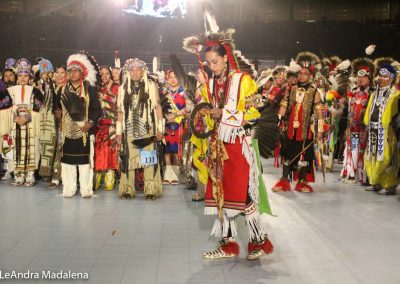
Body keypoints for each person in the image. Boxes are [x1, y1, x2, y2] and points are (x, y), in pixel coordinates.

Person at [183, 28, 274, 260]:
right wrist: (198, 110)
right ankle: (228, 244)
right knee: (221, 196)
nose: (211, 66)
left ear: (225, 58)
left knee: (242, 195)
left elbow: (255, 111)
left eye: (215, 61)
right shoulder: (209, 84)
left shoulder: (242, 81)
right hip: (216, 146)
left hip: (237, 145)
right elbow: (204, 112)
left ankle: (257, 242)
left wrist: (224, 113)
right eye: (208, 63)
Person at [272, 52, 324, 193]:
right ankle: (284, 181)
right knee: (287, 154)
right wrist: (275, 123)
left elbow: (320, 113)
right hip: (290, 129)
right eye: (300, 73)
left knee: (303, 156)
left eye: (305, 74)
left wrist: (320, 130)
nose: (301, 76)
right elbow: (283, 107)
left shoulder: (314, 92)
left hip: (305, 131)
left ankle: (301, 182)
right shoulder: (292, 89)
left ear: (310, 76)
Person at [116, 58, 164, 200]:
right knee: (128, 161)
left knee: (148, 160)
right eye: (133, 70)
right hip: (129, 129)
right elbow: (120, 112)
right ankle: (127, 189)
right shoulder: (122, 88)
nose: (135, 73)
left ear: (143, 71)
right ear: (128, 72)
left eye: (138, 70)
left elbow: (158, 108)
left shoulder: (151, 85)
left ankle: (150, 190)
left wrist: (160, 129)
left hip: (147, 129)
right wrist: (118, 133)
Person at [58, 52, 101, 198]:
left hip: (84, 132)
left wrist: (90, 123)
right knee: (68, 162)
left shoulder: (90, 89)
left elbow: (97, 109)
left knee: (84, 162)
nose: (73, 73)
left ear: (82, 72)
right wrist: (57, 113)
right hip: (67, 131)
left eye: (76, 70)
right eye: (70, 70)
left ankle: (86, 189)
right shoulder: (62, 89)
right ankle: (69, 189)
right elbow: (56, 108)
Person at [5, 58, 44, 186]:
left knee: (31, 149)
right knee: (16, 149)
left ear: (29, 77)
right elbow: (6, 107)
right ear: (17, 77)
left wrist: (26, 117)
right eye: (20, 75)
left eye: (25, 75)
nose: (22, 78)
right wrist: (16, 117)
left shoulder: (36, 91)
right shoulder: (10, 91)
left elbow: (39, 108)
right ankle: (18, 176)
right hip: (14, 124)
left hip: (31, 124)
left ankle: (30, 176)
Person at [364, 59, 400, 195]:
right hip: (373, 130)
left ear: (391, 78)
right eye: (380, 75)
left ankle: (389, 185)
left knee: (386, 158)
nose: (381, 79)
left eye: (385, 76)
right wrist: (367, 121)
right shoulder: (374, 94)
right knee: (371, 156)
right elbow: (369, 110)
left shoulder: (395, 94)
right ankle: (376, 182)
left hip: (387, 132)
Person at [341, 58, 375, 184]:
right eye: (359, 77)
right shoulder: (352, 93)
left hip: (365, 130)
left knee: (363, 150)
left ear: (369, 78)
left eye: (364, 77)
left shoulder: (373, 93)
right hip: (353, 129)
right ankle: (351, 173)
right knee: (352, 148)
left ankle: (363, 176)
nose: (360, 80)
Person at [94, 66, 119, 190]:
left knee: (111, 150)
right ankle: (98, 174)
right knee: (99, 151)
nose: (104, 76)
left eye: (107, 74)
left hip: (112, 125)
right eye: (102, 74)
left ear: (110, 75)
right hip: (98, 125)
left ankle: (110, 175)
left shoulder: (117, 88)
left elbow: (120, 108)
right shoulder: (96, 88)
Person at [160, 70, 187, 185]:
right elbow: (158, 105)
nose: (173, 79)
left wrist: (176, 114)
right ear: (167, 78)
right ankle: (167, 173)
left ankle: (175, 174)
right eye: (170, 77)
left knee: (176, 150)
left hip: (178, 124)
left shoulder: (184, 92)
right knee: (167, 149)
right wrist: (165, 116)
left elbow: (188, 108)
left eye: (175, 77)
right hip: (166, 124)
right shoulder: (163, 91)